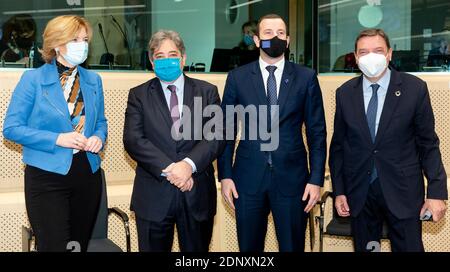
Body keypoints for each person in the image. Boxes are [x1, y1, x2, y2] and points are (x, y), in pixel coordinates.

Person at [329, 28, 447, 252]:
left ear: (389, 54)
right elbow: (339, 147)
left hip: (403, 192)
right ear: (355, 57)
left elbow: (428, 144)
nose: (370, 56)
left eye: (378, 50)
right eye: (363, 52)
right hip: (360, 194)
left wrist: (436, 192)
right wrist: (340, 191)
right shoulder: (344, 93)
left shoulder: (414, 89)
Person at [218, 14, 327, 252]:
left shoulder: (306, 77)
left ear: (287, 40)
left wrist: (316, 179)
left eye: (280, 33)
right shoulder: (237, 77)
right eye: (268, 33)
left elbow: (317, 133)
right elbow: (225, 130)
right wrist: (225, 175)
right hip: (247, 179)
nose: (274, 38)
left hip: (293, 179)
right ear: (256, 40)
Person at [3, 15, 108, 252]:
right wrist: (57, 139)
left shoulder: (93, 80)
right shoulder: (33, 79)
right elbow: (11, 128)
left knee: (77, 247)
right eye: (75, 39)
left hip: (87, 174)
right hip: (46, 177)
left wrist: (98, 137)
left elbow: (101, 121)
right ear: (57, 43)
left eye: (84, 39)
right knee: (54, 246)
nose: (83, 45)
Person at [123, 30, 225, 252]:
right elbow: (133, 139)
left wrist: (188, 166)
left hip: (197, 194)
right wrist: (173, 170)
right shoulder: (138, 95)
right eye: (160, 56)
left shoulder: (207, 92)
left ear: (183, 58)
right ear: (151, 62)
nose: (167, 60)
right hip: (153, 198)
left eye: (173, 54)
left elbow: (217, 135)